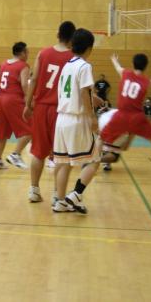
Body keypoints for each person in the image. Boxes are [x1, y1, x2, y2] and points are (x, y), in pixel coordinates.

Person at [100, 53, 151, 179]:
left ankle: (90, 162)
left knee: (100, 139)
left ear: (133, 64)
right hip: (137, 117)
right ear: (146, 66)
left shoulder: (125, 73)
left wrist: (114, 60)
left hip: (121, 115)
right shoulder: (149, 82)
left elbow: (118, 67)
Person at [23, 21, 75, 203]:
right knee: (61, 156)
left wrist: (28, 104)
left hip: (41, 108)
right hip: (62, 110)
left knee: (38, 152)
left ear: (57, 34)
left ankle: (34, 190)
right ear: (73, 38)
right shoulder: (73, 57)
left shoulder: (43, 53)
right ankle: (56, 194)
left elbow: (34, 79)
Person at [52, 29, 99, 213]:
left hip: (61, 119)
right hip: (77, 119)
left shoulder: (66, 65)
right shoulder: (84, 66)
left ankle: (60, 201)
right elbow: (84, 92)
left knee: (64, 163)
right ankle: (76, 195)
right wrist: (92, 117)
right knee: (95, 159)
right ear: (89, 48)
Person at [0, 41, 31, 170]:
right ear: (22, 53)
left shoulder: (4, 64)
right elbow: (24, 84)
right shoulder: (23, 65)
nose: (28, 55)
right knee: (30, 129)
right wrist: (29, 101)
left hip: (1, 99)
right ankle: (15, 155)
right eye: (27, 52)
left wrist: (2, 88)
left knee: (2, 133)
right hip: (14, 99)